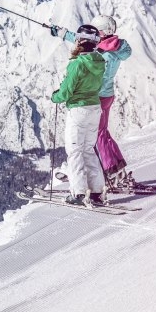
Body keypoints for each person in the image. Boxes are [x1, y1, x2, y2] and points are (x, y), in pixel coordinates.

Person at [51, 15, 133, 190]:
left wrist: (65, 34)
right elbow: (84, 39)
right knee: (101, 133)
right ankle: (114, 169)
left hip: (96, 96)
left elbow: (85, 41)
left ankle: (110, 171)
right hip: (107, 95)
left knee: (96, 136)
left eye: (97, 31)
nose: (95, 34)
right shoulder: (114, 46)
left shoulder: (104, 52)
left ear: (103, 32)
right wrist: (62, 33)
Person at [49, 24, 107, 206]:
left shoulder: (77, 64)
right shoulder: (99, 61)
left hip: (79, 111)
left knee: (75, 152)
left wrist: (55, 96)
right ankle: (97, 192)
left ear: (80, 40)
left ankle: (78, 193)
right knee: (88, 150)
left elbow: (65, 93)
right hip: (94, 109)